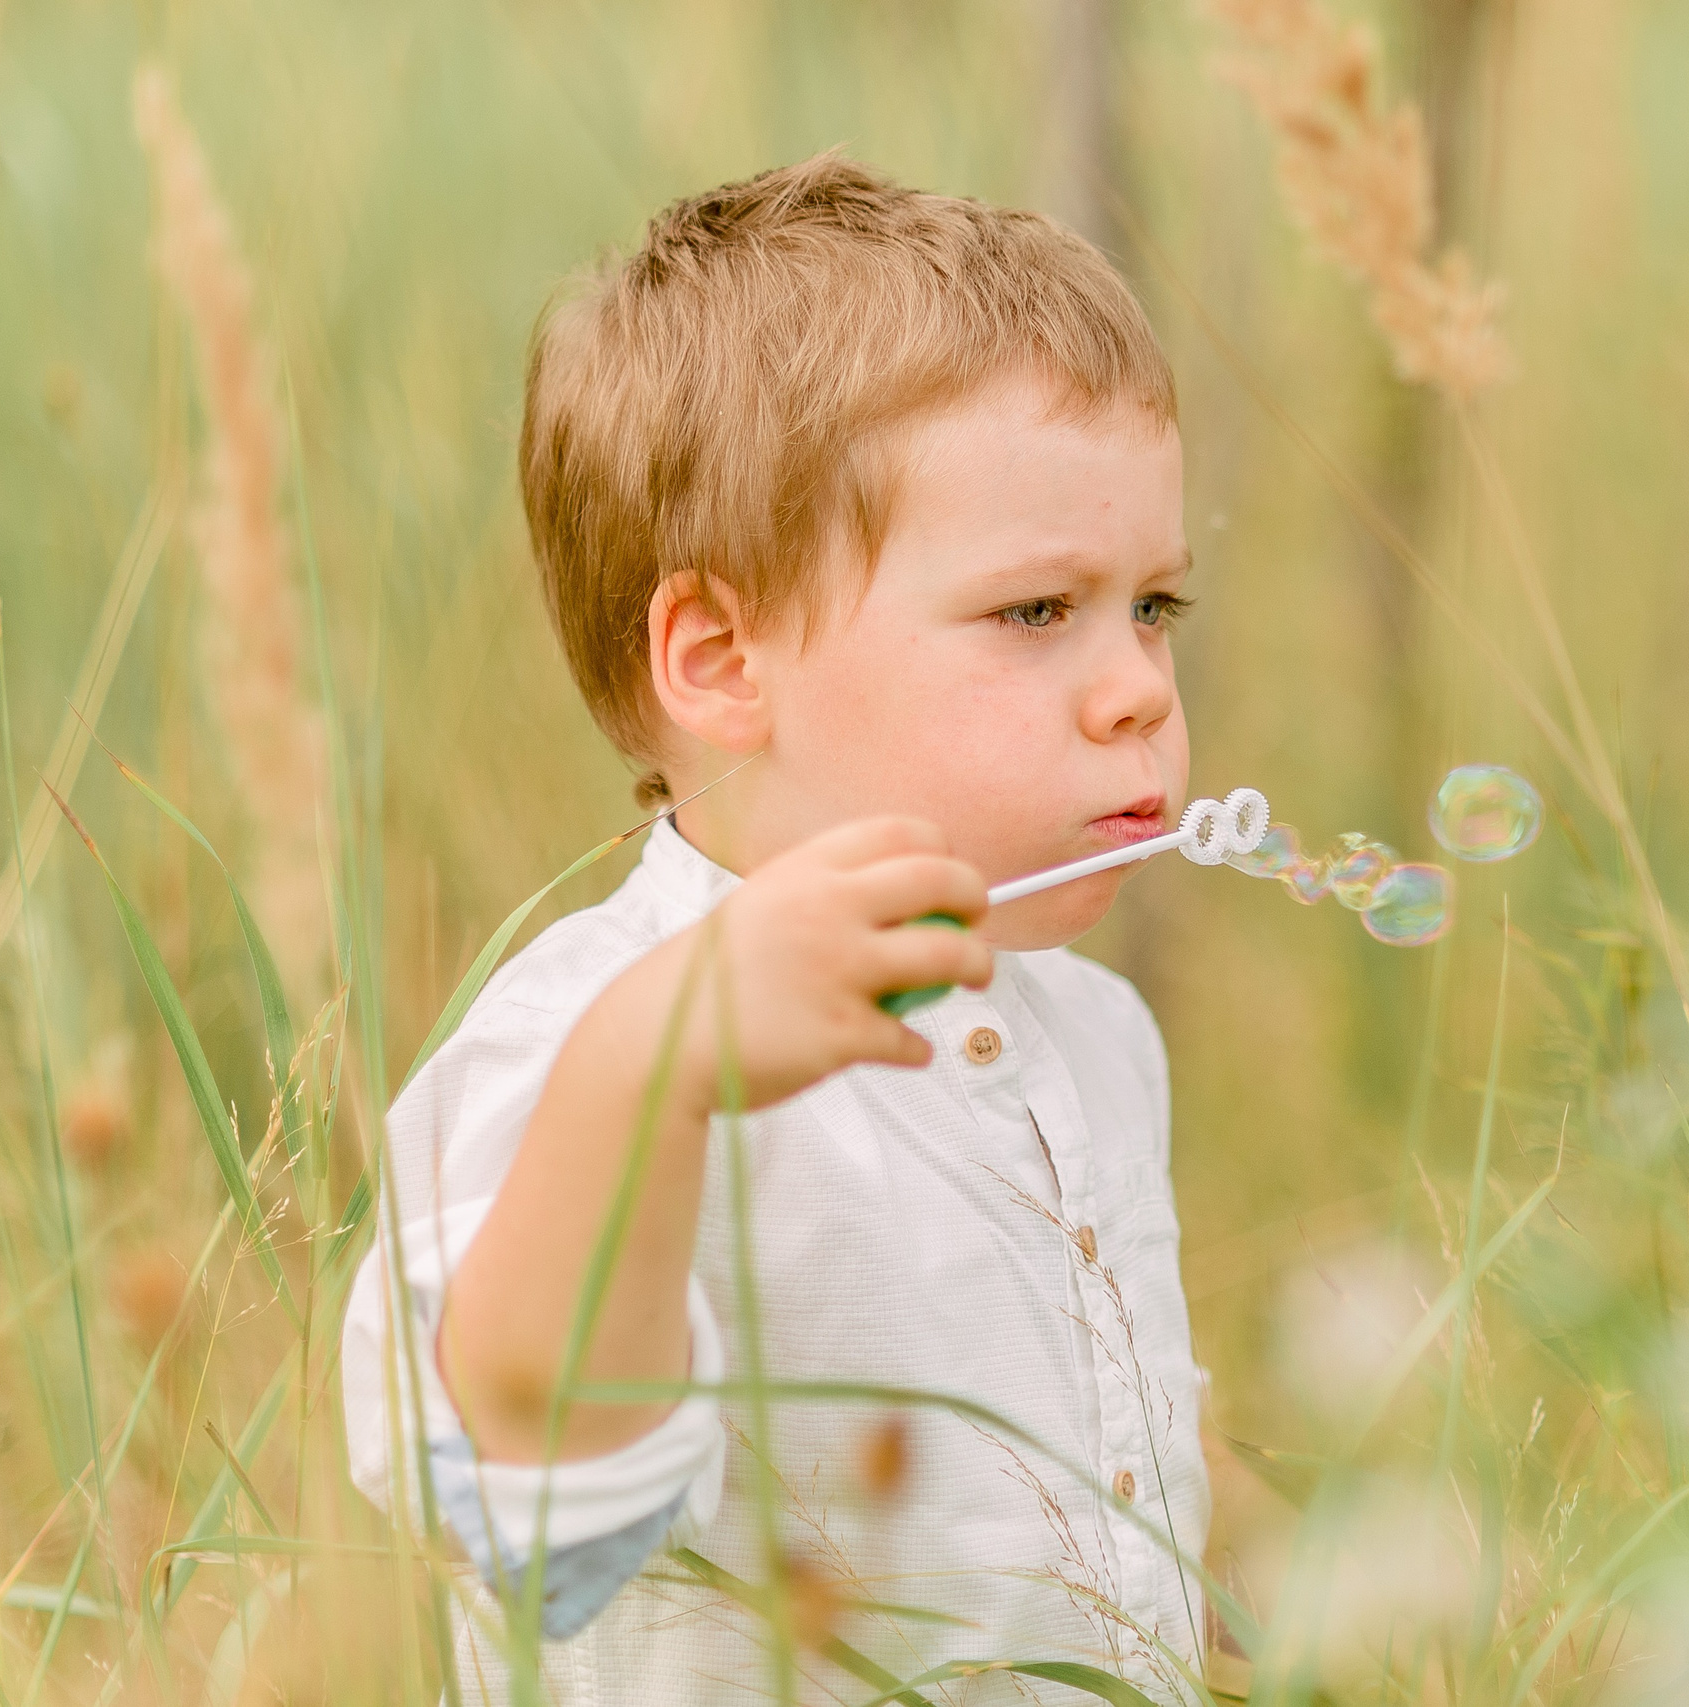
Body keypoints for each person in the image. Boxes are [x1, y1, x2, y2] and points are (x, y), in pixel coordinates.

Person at [340, 153, 1215, 1702]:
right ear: (723, 658)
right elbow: (543, 1500)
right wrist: (644, 1084)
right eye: (1036, 613)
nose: (1139, 686)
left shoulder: (1089, 1029)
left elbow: (1122, 1476)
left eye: (1154, 607)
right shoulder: (592, 1042)